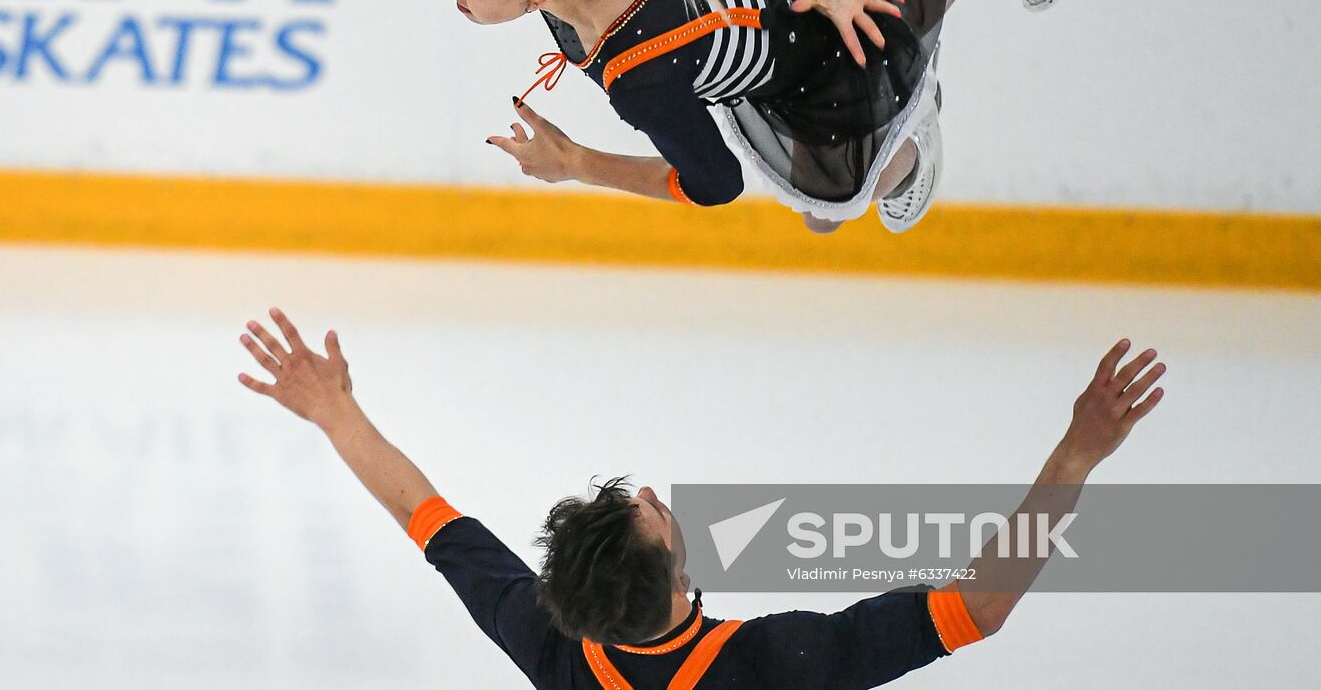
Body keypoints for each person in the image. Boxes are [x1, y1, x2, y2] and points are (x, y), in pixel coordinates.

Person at [237, 309, 1165, 688]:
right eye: (653, 510)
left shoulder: (549, 642)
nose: (650, 492)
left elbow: (425, 516)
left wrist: (336, 413)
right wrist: (1076, 454)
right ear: (678, 572)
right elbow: (978, 607)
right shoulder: (777, 658)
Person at [450, 0, 1096, 234]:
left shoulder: (638, 72)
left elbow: (714, 183)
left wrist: (576, 164)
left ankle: (908, 129)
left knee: (830, 208)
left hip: (812, 71)